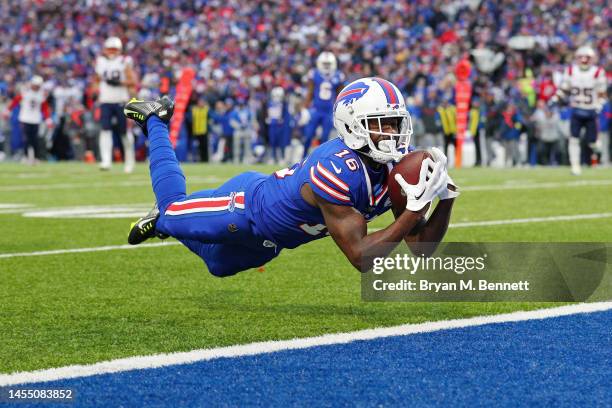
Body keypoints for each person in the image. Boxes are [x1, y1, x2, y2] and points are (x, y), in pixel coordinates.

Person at [124, 77, 458, 277]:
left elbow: (421, 248)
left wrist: (444, 199)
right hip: (245, 207)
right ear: (351, 123)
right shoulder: (336, 167)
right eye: (379, 123)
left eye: (394, 123)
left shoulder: (399, 165)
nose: (390, 134)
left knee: (217, 266)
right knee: (171, 208)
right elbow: (361, 257)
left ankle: (163, 222)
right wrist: (414, 210)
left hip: (275, 240)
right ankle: (155, 120)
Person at [551, 46, 608, 175]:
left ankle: (596, 150)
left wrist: (599, 105)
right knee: (573, 139)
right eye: (581, 57)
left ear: (592, 59)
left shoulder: (598, 72)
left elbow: (602, 94)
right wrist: (556, 97)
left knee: (592, 142)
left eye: (586, 58)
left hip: (591, 110)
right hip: (576, 109)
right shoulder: (571, 71)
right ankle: (575, 166)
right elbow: (565, 88)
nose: (583, 60)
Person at [93, 36, 137, 172]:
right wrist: (95, 90)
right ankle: (106, 161)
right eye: (109, 49)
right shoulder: (100, 62)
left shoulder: (124, 61)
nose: (111, 52)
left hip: (120, 101)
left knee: (124, 132)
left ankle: (129, 161)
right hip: (105, 100)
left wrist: (119, 83)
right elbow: (96, 79)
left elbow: (133, 81)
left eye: (114, 49)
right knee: (105, 130)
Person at [301, 52, 345, 156]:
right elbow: (310, 93)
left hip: (329, 111)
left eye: (328, 64)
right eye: (324, 64)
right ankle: (303, 158)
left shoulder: (339, 75)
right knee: (308, 135)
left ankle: (319, 159)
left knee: (325, 138)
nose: (326, 66)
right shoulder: (314, 74)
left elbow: (340, 96)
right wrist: (304, 108)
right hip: (316, 110)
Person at [7, 76, 52, 164]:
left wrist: (48, 119)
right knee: (26, 139)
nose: (37, 87)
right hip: (25, 118)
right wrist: (8, 110)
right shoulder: (25, 92)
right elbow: (15, 101)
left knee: (35, 139)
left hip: (36, 119)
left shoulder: (41, 95)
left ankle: (35, 157)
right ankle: (26, 156)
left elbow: (44, 108)